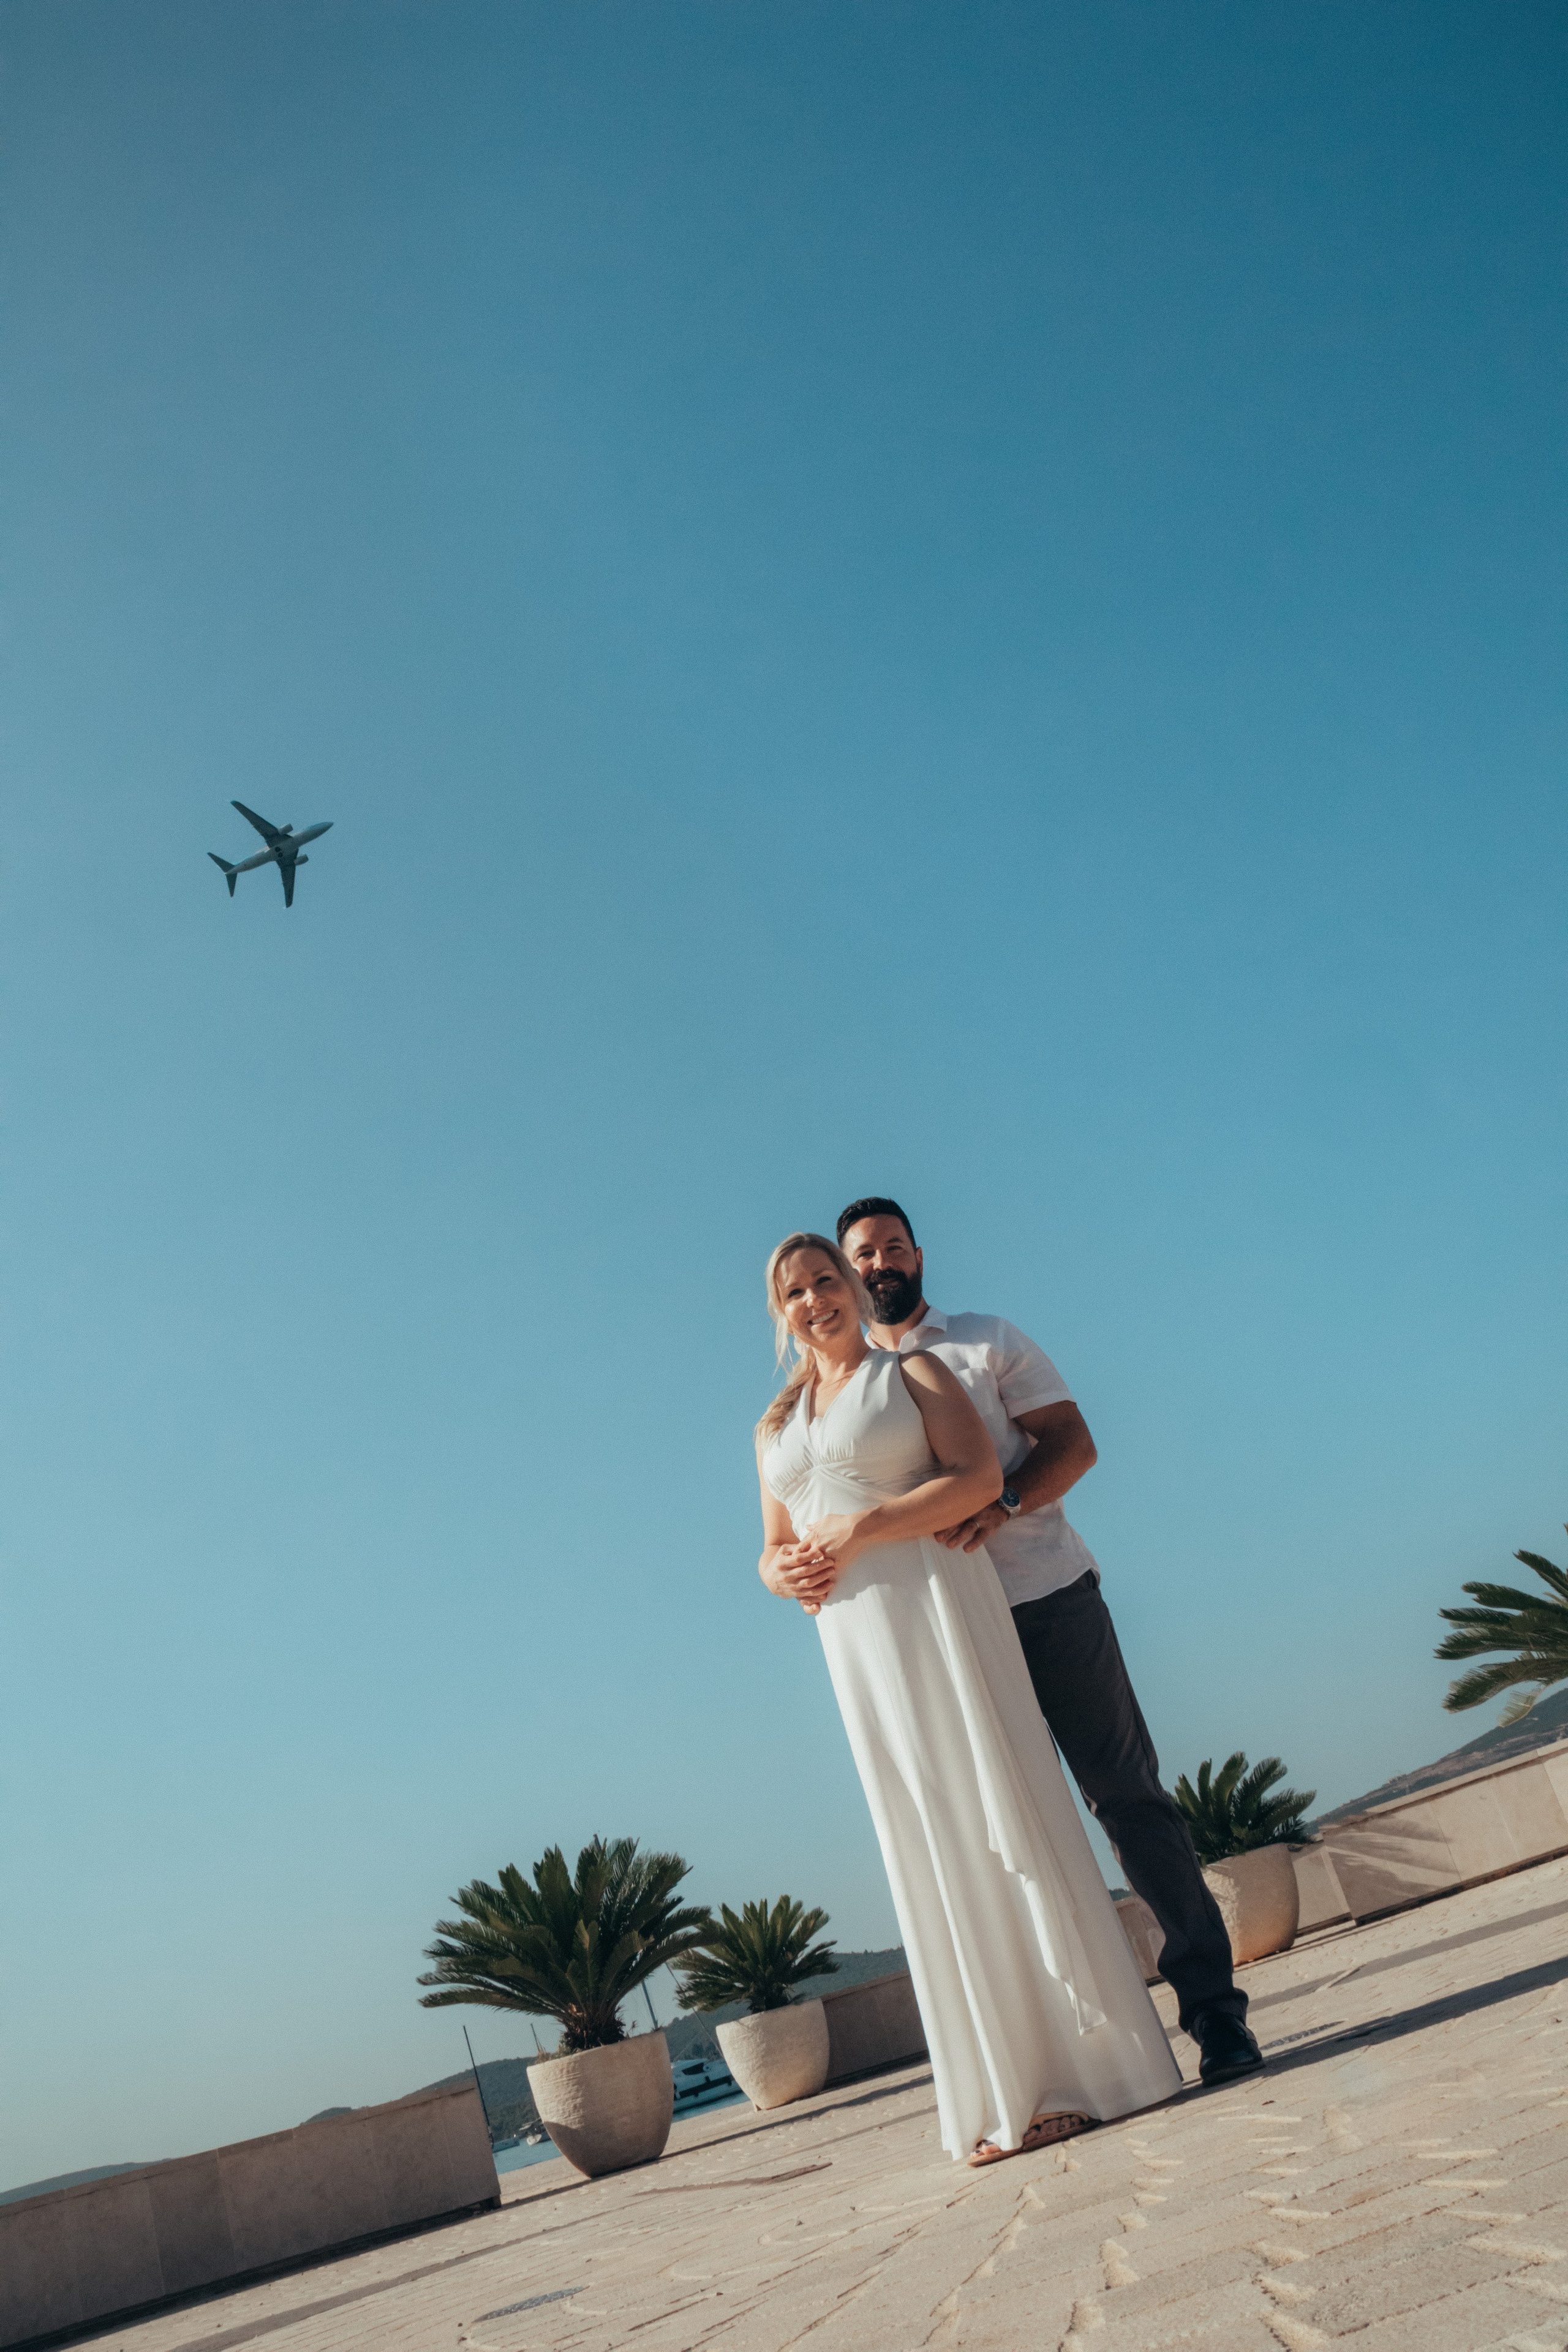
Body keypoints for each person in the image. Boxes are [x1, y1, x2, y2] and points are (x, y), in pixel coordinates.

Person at [756, 1230, 1182, 2166]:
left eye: (827, 1278)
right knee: (929, 1841)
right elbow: (769, 1551)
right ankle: (998, 2090)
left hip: (940, 1614)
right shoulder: (773, 1427)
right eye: (795, 1292)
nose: (816, 1298)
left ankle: (1078, 2073)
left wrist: (865, 1528)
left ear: (856, 1285)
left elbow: (981, 1481)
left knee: (1003, 1812)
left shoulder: (917, 1376)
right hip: (858, 1649)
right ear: (779, 1313)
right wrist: (783, 1571)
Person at [834, 1196, 1264, 2087]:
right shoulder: (843, 1392)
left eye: (891, 1247)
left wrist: (1006, 1504)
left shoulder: (985, 1340)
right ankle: (1083, 2051)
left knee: (1126, 1802)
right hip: (945, 1642)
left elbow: (1073, 1443)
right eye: (862, 1254)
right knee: (998, 1830)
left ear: (919, 1253)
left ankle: (1218, 2018)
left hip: (1047, 1602)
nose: (879, 1264)